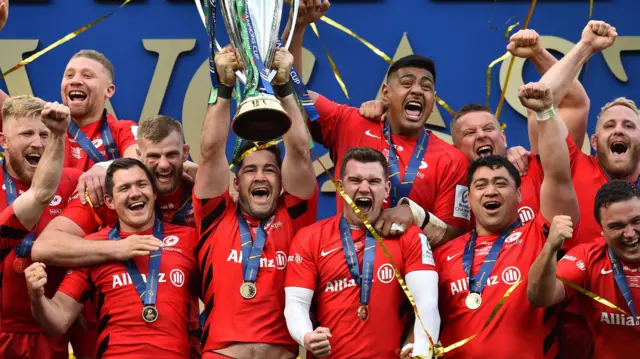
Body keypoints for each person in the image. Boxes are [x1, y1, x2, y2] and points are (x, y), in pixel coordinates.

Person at [360, 27, 592, 227]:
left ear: (504, 137)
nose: (481, 135)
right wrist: (387, 111)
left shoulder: (535, 167)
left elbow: (573, 104)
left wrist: (538, 54)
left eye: (488, 129)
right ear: (456, 149)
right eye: (469, 133)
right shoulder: (449, 190)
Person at [286, 1, 470, 248]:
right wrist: (297, 27)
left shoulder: (452, 159)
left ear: (433, 100)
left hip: (413, 277)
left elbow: (457, 234)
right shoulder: (350, 123)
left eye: (426, 87)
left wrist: (416, 215)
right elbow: (292, 96)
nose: (417, 90)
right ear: (385, 93)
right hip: (346, 269)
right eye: (407, 83)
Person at [31, 115, 202, 358]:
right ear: (139, 157)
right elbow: (44, 248)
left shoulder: (199, 200)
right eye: (153, 156)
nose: (163, 165)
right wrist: (118, 249)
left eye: (171, 155)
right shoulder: (100, 201)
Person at [433, 80, 580, 358]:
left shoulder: (538, 234)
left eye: (500, 183)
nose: (491, 190)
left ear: (518, 192)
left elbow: (558, 174)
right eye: (481, 185)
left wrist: (546, 112)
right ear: (468, 197)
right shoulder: (443, 254)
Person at [194, 45, 318, 359]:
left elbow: (301, 154)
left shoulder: (296, 216)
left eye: (270, 170)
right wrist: (223, 88)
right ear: (235, 183)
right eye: (250, 170)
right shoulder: (214, 215)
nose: (260, 176)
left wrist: (283, 86)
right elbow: (210, 153)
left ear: (281, 182)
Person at [284, 146, 440, 358]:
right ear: (340, 187)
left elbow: (427, 303)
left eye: (373, 181)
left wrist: (422, 353)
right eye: (355, 180)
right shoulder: (309, 237)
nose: (364, 188)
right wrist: (306, 336)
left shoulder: (409, 236)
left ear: (386, 189)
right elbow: (296, 302)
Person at [0, 96, 81, 359]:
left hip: (51, 334)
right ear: (4, 141)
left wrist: (103, 167)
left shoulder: (75, 183)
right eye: (27, 133)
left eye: (45, 134)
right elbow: (41, 193)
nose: (38, 142)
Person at [527, 179, 640, 359]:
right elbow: (540, 297)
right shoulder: (588, 257)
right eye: (616, 226)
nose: (630, 233)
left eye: (637, 221)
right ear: (602, 231)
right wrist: (550, 247)